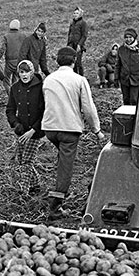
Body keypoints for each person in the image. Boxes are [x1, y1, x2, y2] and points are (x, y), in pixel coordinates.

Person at [41, 47, 105, 221]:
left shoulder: (49, 79)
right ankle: (55, 207)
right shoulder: (79, 80)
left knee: (62, 161)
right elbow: (88, 109)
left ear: (57, 61)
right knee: (65, 168)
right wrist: (97, 130)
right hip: (69, 129)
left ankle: (55, 192)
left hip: (50, 128)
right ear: (74, 61)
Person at [5, 60, 45, 195]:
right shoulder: (15, 88)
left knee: (27, 162)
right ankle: (36, 184)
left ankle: (23, 191)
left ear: (32, 72)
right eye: (21, 72)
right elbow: (10, 109)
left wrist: (34, 130)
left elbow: (46, 111)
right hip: (21, 131)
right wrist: (16, 124)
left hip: (36, 131)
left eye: (27, 71)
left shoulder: (41, 87)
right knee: (21, 159)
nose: (24, 75)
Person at [115, 27, 139, 105]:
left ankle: (134, 116)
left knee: (134, 99)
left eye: (130, 37)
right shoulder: (121, 49)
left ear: (134, 38)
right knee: (126, 99)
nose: (128, 39)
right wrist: (116, 78)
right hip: (124, 79)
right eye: (126, 37)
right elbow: (118, 64)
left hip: (136, 79)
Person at [0, 19, 26, 85]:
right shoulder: (23, 36)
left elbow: (2, 50)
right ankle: (15, 94)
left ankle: (9, 94)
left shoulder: (6, 36)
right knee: (15, 79)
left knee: (6, 80)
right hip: (19, 61)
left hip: (9, 62)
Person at [67, 7, 89, 76]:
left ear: (80, 14)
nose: (75, 14)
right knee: (71, 62)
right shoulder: (72, 23)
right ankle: (73, 78)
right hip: (71, 45)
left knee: (78, 63)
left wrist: (79, 45)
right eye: (74, 13)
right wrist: (68, 44)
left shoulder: (83, 23)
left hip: (78, 45)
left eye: (77, 13)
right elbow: (69, 34)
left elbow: (84, 35)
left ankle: (81, 78)